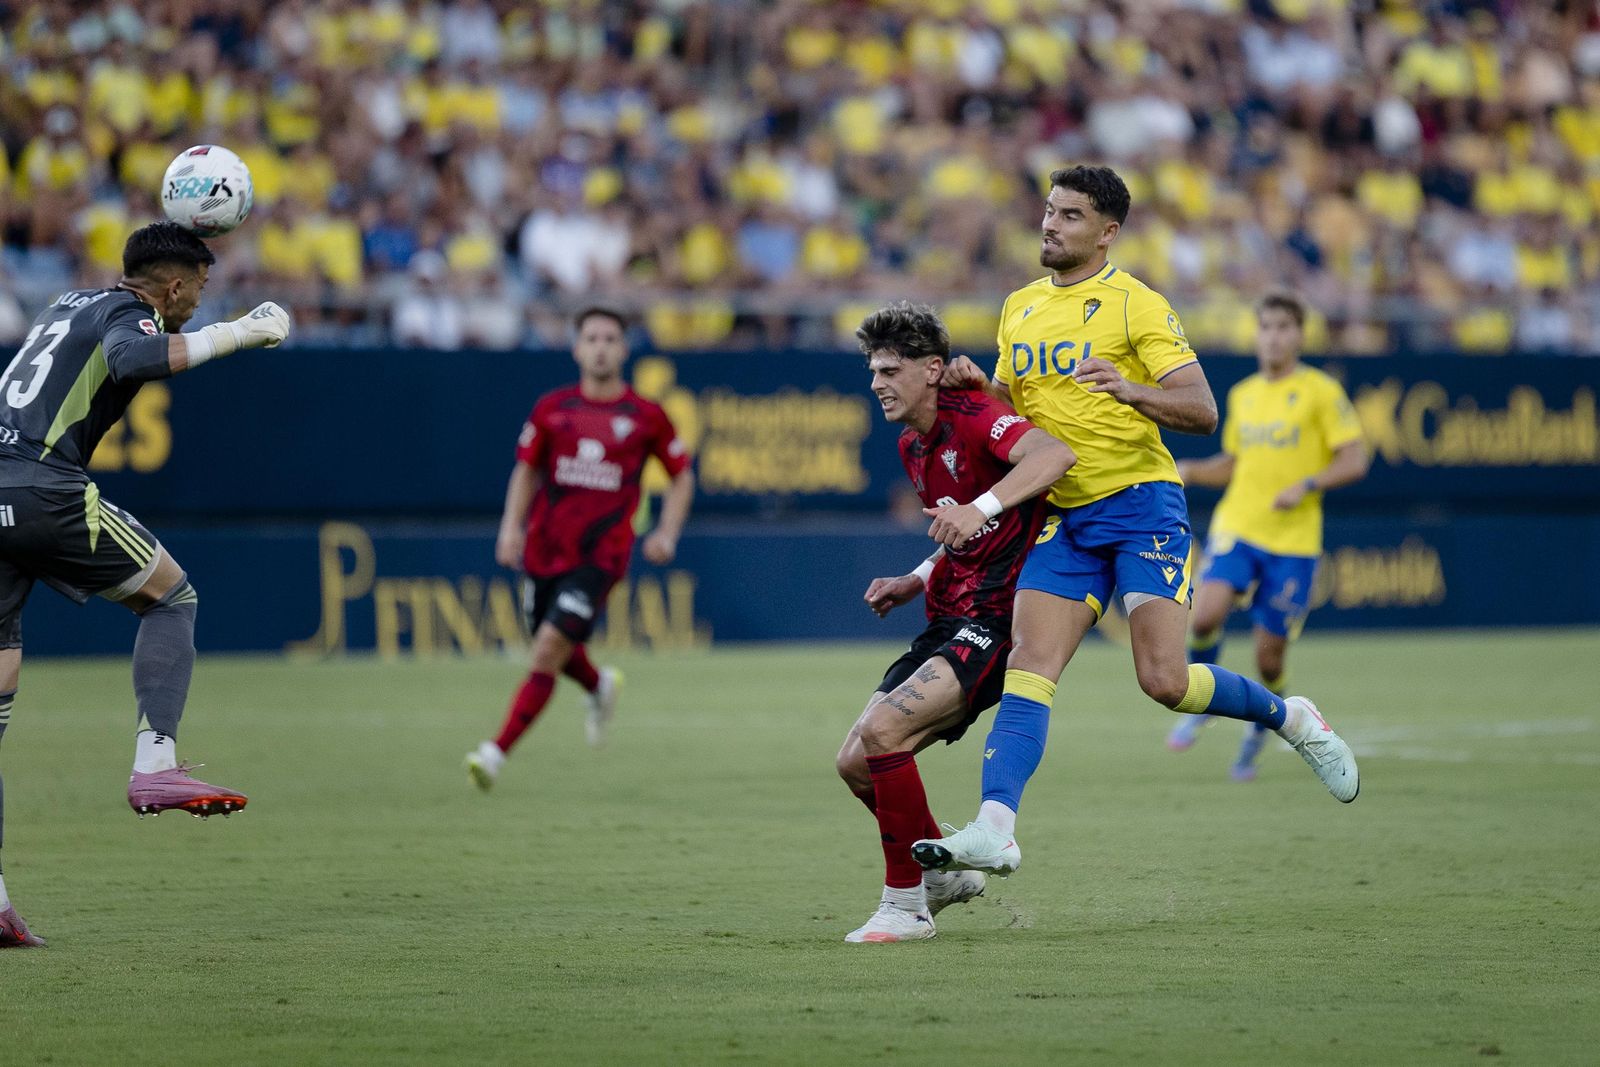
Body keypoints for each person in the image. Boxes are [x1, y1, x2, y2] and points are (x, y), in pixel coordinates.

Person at [916, 166, 1360, 881]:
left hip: (1141, 505)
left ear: (1107, 232)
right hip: (1064, 514)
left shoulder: (1136, 306)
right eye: (1049, 211)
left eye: (1069, 215)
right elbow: (1012, 410)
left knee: (1163, 679)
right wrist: (979, 389)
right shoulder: (1020, 307)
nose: (1050, 224)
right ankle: (995, 828)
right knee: (1030, 663)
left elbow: (1202, 409)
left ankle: (1292, 717)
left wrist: (1133, 389)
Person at [0, 221, 292, 948]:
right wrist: (244, 331)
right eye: (196, 289)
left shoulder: (67, 301)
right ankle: (155, 762)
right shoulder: (133, 315)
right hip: (45, 488)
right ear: (172, 285)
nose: (196, 300)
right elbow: (138, 353)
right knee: (171, 594)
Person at [834, 301, 1073, 943]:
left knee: (884, 730)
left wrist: (981, 504)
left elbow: (1054, 456)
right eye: (873, 370)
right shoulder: (913, 443)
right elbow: (964, 527)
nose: (878, 382)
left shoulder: (974, 416)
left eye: (890, 369)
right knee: (855, 761)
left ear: (933, 369)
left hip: (997, 621)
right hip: (947, 616)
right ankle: (945, 875)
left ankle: (905, 905)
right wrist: (919, 574)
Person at [465, 307, 694, 788]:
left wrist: (667, 533)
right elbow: (526, 470)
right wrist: (510, 529)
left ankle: (494, 752)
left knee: (547, 649)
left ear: (624, 349)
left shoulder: (646, 416)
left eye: (610, 338)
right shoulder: (553, 408)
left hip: (601, 557)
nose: (601, 347)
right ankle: (599, 684)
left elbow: (680, 477)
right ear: (577, 348)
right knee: (555, 646)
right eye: (592, 338)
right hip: (544, 550)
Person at [1166, 292, 1370, 779]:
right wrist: (1191, 470)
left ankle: (1264, 724)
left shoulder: (1320, 391)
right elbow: (1234, 466)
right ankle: (1206, 701)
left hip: (1294, 541)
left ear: (1299, 334)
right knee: (1203, 616)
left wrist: (1307, 484)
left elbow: (1355, 458)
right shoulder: (1243, 394)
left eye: (1283, 327)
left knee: (1269, 654)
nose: (1273, 336)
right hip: (1240, 526)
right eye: (1266, 327)